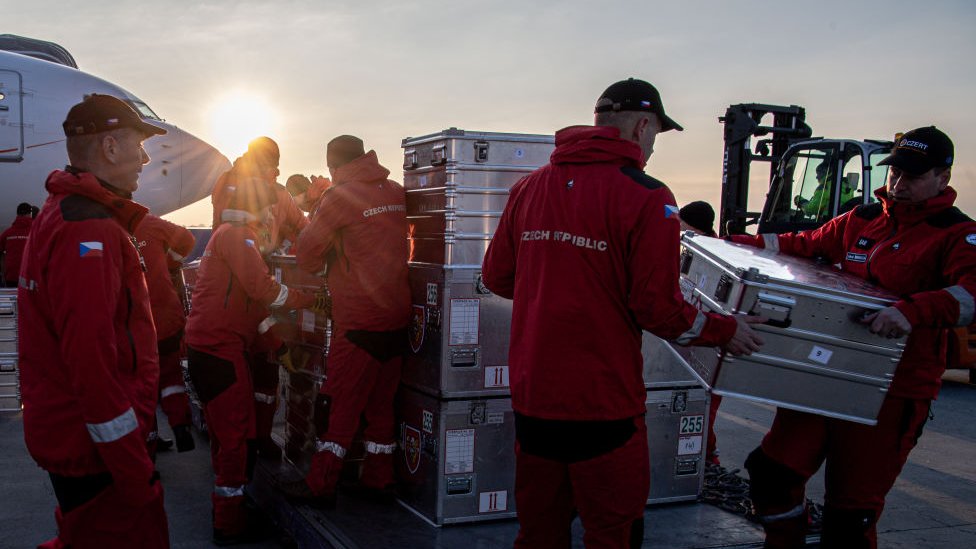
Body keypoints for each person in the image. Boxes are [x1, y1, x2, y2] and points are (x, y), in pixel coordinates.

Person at [481, 78, 765, 548]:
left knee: (539, 532)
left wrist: (551, 287)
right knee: (613, 532)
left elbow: (496, 278)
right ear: (641, 126)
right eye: (655, 134)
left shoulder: (529, 188)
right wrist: (724, 329)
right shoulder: (648, 197)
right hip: (603, 404)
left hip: (534, 400)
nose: (652, 146)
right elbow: (657, 308)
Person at [731, 126, 976, 549]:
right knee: (772, 473)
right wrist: (736, 245)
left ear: (943, 177)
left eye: (912, 176)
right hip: (827, 376)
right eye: (895, 172)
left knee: (849, 516)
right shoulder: (861, 219)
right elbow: (802, 243)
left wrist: (911, 312)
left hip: (892, 392)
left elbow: (971, 293)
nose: (898, 184)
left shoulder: (956, 235)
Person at [17, 93, 169, 548]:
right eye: (138, 144)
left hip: (75, 442)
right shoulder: (90, 230)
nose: (144, 158)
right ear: (110, 149)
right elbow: (93, 365)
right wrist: (132, 469)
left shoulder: (63, 214)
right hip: (96, 454)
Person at [185, 171, 316, 544]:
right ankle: (229, 522)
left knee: (227, 436)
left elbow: (251, 309)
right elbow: (265, 292)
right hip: (218, 351)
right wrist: (310, 301)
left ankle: (230, 505)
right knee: (234, 438)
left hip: (212, 348)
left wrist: (278, 347)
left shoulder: (228, 237)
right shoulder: (239, 239)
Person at [283, 135, 411, 506]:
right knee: (382, 408)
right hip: (398, 316)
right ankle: (379, 480)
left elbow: (306, 254)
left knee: (336, 407)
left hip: (358, 320)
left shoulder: (338, 197)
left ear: (332, 166)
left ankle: (320, 485)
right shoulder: (396, 191)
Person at [134, 213, 196, 453]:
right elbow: (187, 239)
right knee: (171, 377)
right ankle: (181, 426)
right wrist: (170, 262)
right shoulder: (150, 223)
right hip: (166, 318)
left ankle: (148, 443)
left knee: (143, 383)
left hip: (136, 324)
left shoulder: (106, 228)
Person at [677, 200, 724, 466]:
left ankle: (706, 462)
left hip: (704, 344)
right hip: (697, 342)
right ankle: (705, 459)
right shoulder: (701, 249)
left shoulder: (705, 254)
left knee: (701, 411)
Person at [0, 202, 33, 287]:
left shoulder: (7, 233)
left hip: (11, 276)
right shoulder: (37, 232)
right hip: (31, 277)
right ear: (29, 214)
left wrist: (4, 270)